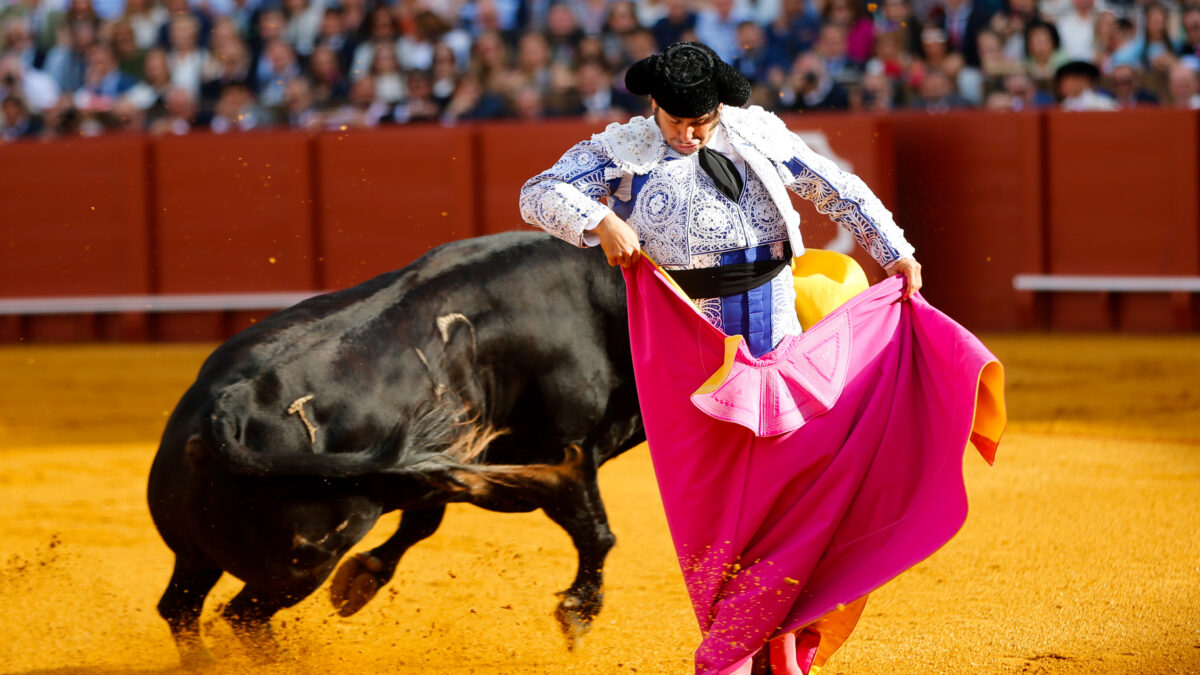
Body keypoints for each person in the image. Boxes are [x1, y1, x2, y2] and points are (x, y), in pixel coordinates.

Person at [519, 42, 936, 673]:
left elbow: (836, 188)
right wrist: (598, 220)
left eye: (702, 122)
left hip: (780, 331)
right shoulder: (623, 149)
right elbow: (537, 193)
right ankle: (735, 641)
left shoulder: (755, 131)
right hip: (691, 344)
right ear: (653, 104)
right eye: (677, 121)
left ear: (720, 106)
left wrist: (893, 247)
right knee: (718, 504)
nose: (689, 134)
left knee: (797, 490)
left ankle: (786, 638)